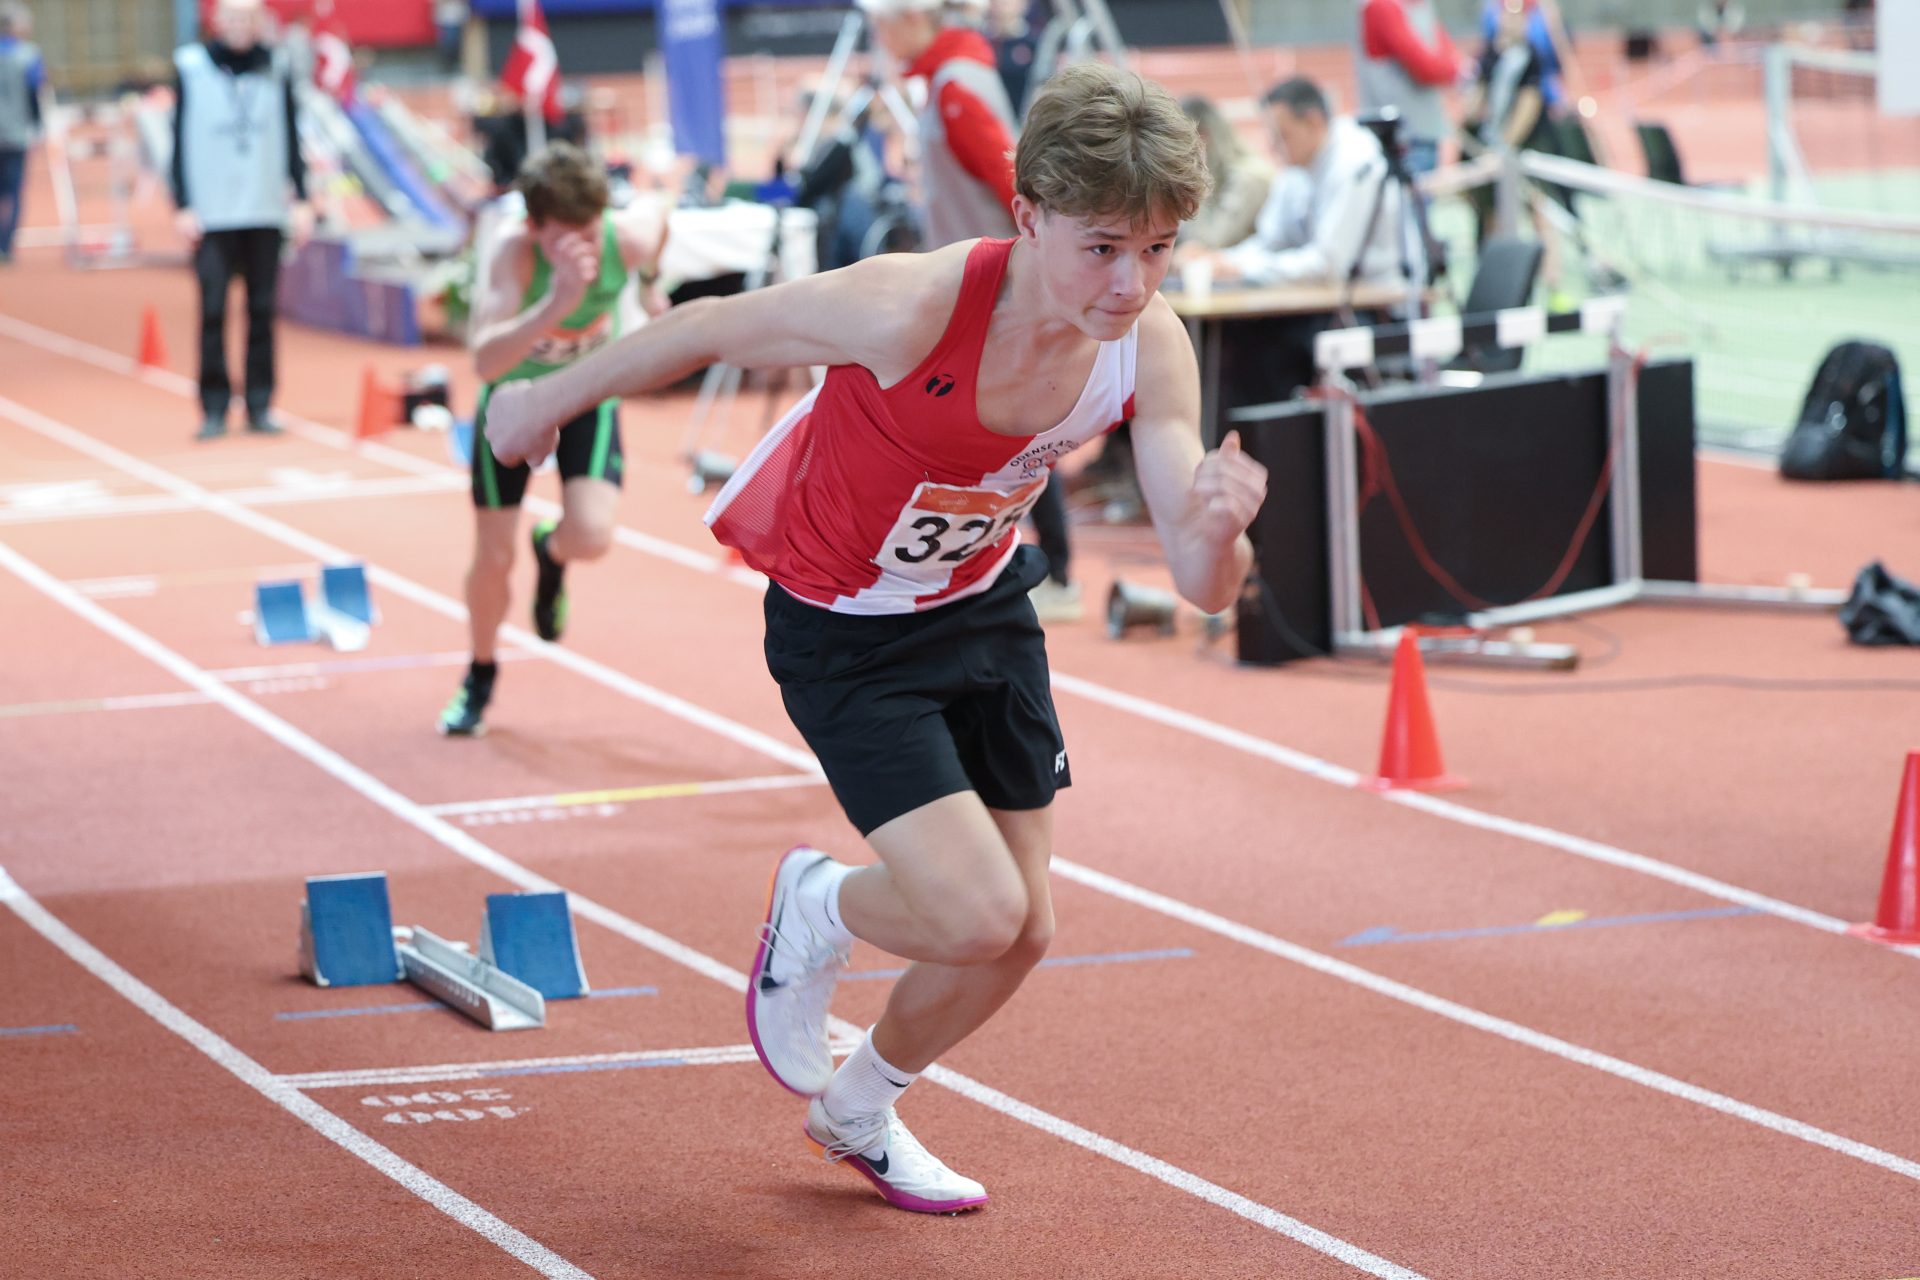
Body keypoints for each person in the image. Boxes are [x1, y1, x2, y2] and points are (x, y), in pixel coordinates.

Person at [481, 64, 1266, 1212]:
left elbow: (1200, 585)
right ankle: (819, 902)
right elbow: (705, 326)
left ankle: (858, 1105)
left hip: (984, 608)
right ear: (1028, 215)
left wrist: (1218, 532)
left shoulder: (1146, 346)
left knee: (1023, 931)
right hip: (846, 629)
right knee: (975, 910)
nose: (1130, 282)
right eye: (1103, 247)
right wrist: (541, 400)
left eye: (1157, 250)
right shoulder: (909, 304)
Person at [439, 142, 668, 737]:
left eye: (591, 233)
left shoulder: (625, 238)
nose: (585, 250)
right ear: (535, 227)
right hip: (514, 404)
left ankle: (554, 552)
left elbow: (659, 215)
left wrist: (649, 284)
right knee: (494, 556)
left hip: (587, 394)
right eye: (567, 238)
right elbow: (485, 360)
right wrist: (555, 302)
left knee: (592, 537)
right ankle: (480, 672)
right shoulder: (514, 254)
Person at [862, 0, 1080, 621]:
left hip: (990, 289)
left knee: (1013, 428)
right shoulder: (948, 80)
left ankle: (1057, 569)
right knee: (995, 429)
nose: (879, 38)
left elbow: (1013, 183)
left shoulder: (957, 88)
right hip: (976, 283)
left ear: (912, 18)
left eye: (882, 25)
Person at [171, 0, 316, 441]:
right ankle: (214, 406)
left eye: (248, 19)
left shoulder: (276, 66)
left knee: (262, 310)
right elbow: (177, 139)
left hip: (264, 208)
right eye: (231, 18)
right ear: (217, 22)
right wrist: (183, 203)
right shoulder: (191, 66)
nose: (239, 27)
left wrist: (302, 197)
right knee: (213, 310)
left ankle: (259, 403)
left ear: (259, 23)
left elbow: (292, 134)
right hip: (213, 212)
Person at [1356, 0, 1463, 177]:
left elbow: (1450, 62)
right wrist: (1447, 66)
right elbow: (1429, 69)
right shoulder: (1381, 7)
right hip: (1403, 143)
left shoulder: (1418, 6)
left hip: (1423, 136)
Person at [0, 2, 45, 265]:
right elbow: (33, 93)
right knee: (14, 191)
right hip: (16, 133)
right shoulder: (29, 55)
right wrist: (39, 127)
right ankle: (5, 246)